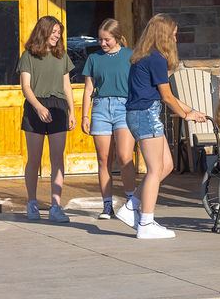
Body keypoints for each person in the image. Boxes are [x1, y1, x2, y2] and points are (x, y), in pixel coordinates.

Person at [123, 13, 207, 239]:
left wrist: (190, 111)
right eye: (173, 35)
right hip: (145, 114)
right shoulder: (156, 58)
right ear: (163, 35)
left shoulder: (147, 56)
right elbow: (167, 97)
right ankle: (145, 223)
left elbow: (166, 95)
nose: (175, 39)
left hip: (145, 113)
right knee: (154, 170)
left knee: (166, 166)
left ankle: (131, 207)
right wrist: (185, 116)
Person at [18, 15, 75, 222]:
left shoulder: (62, 56)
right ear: (44, 31)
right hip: (36, 107)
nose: (57, 36)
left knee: (57, 159)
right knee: (34, 159)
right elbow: (25, 86)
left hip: (58, 107)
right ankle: (32, 202)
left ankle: (56, 206)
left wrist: (73, 111)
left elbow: (67, 86)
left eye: (59, 33)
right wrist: (39, 107)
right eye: (54, 32)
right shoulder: (28, 55)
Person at [80, 18, 136, 221]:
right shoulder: (94, 58)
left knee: (124, 157)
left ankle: (132, 203)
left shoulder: (131, 57)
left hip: (124, 108)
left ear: (118, 37)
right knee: (104, 160)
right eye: (100, 40)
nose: (103, 44)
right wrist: (85, 115)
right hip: (100, 109)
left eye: (107, 40)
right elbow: (88, 89)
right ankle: (107, 206)